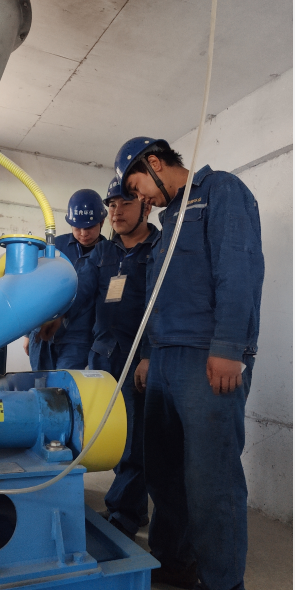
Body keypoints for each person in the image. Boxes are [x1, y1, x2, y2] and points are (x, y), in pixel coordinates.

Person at [115, 136, 264, 590]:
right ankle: (174, 562)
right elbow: (156, 297)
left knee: (211, 479)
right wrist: (147, 355)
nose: (140, 199)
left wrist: (229, 347)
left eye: (137, 186)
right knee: (164, 473)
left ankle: (222, 581)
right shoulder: (169, 220)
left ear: (155, 162)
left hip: (207, 358)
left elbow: (238, 269)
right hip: (164, 357)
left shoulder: (221, 190)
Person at [42, 176, 159, 541]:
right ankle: (130, 507)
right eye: (112, 205)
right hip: (103, 355)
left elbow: (162, 307)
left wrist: (148, 355)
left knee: (135, 439)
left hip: (135, 357)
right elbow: (83, 288)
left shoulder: (158, 249)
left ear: (146, 205)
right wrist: (58, 315)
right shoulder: (104, 253)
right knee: (115, 432)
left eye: (125, 202)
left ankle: (125, 513)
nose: (117, 211)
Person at [23, 189, 107, 370]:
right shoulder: (54, 247)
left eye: (89, 228)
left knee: (64, 383)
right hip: (42, 333)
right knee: (40, 382)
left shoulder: (108, 254)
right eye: (77, 228)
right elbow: (35, 287)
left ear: (101, 222)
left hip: (77, 338)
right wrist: (28, 334)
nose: (83, 233)